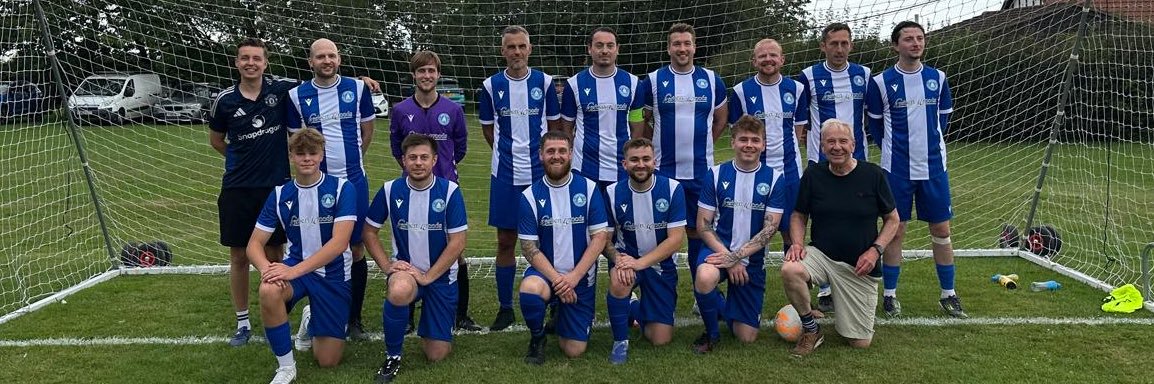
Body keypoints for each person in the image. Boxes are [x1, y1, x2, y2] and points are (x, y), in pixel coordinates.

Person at [865, 21, 965, 318]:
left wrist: (927, 147)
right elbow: (875, 123)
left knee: (942, 229)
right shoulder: (881, 82)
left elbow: (942, 118)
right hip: (896, 169)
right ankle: (891, 296)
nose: (915, 43)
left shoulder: (938, 77)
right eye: (908, 39)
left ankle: (949, 294)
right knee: (896, 230)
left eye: (919, 38)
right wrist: (896, 151)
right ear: (896, 45)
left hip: (934, 167)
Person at [778, 119, 900, 356]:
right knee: (790, 269)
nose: (837, 147)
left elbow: (893, 219)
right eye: (830, 142)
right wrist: (797, 244)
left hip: (859, 268)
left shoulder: (873, 175)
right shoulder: (814, 174)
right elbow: (798, 214)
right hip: (822, 256)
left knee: (859, 342)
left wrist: (875, 250)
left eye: (843, 141)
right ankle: (811, 328)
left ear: (853, 145)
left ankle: (838, 311)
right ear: (822, 147)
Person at [247, 127, 357, 384]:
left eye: (312, 153)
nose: (307, 158)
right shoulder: (279, 194)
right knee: (269, 289)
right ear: (291, 157)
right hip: (295, 267)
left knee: (327, 361)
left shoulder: (342, 188)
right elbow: (254, 244)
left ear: (321, 155)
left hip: (333, 273)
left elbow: (340, 243)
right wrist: (267, 269)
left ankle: (310, 319)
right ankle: (286, 367)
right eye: (300, 153)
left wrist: (292, 271)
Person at [285, 38, 377, 338]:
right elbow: (298, 143)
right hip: (316, 187)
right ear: (310, 62)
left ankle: (355, 318)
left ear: (339, 58)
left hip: (353, 181)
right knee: (319, 247)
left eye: (332, 55)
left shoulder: (358, 88)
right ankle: (319, 313)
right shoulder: (297, 96)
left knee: (356, 246)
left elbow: (367, 131)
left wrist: (351, 162)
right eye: (320, 56)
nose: (327, 60)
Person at [208, 38, 293, 347]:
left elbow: (320, 81)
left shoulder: (280, 91)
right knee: (240, 255)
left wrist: (359, 81)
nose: (251, 63)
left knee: (274, 254)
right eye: (245, 58)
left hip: (276, 188)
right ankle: (243, 321)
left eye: (256, 58)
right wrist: (240, 158)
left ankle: (278, 309)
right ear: (236, 62)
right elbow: (217, 140)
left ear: (265, 63)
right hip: (238, 187)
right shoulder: (225, 100)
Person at [364, 134, 469, 383]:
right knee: (399, 289)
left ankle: (433, 324)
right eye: (412, 157)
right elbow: (369, 231)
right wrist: (388, 267)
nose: (418, 162)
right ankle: (393, 356)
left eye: (424, 157)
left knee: (437, 354)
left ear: (434, 160)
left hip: (440, 279)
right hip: (407, 272)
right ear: (403, 161)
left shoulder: (450, 191)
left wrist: (428, 277)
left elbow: (458, 242)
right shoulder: (391, 190)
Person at [478, 25, 562, 331]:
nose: (516, 52)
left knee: (551, 239)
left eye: (521, 46)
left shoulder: (545, 82)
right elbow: (489, 130)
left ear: (530, 49)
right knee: (505, 241)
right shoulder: (490, 86)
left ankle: (556, 304)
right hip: (505, 175)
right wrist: (510, 154)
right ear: (503, 51)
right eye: (510, 47)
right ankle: (505, 308)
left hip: (542, 176)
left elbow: (554, 129)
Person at [388, 50, 479, 332]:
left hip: (446, 190)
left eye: (431, 71)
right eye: (421, 71)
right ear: (413, 75)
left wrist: (442, 173)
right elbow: (396, 148)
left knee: (456, 252)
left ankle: (460, 315)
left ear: (438, 75)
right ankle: (408, 315)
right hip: (411, 192)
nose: (426, 76)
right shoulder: (401, 110)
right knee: (409, 253)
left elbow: (459, 148)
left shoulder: (453, 110)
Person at [639, 22, 728, 289]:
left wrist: (704, 144)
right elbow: (642, 120)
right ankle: (657, 292)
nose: (682, 48)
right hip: (663, 173)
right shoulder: (653, 81)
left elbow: (721, 119)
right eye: (676, 43)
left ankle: (701, 291)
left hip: (701, 174)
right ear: (668, 48)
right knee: (657, 234)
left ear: (694, 46)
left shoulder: (712, 80)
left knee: (699, 232)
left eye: (686, 43)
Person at [796, 22, 873, 313]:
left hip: (857, 162)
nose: (839, 49)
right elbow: (801, 123)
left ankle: (854, 278)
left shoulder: (865, 75)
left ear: (851, 45)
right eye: (833, 43)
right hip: (820, 163)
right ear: (823, 46)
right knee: (823, 220)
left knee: (859, 220)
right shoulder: (808, 77)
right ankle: (826, 287)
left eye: (844, 43)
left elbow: (872, 116)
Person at [694, 115, 787, 353]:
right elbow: (702, 226)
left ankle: (726, 306)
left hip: (752, 259)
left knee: (746, 337)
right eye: (743, 139)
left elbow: (769, 230)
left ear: (763, 145)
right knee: (705, 276)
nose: (749, 145)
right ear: (733, 142)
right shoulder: (715, 174)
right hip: (718, 250)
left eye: (755, 140)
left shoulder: (775, 178)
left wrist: (738, 258)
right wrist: (729, 258)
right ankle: (711, 334)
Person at [517, 131, 610, 365]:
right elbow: (529, 248)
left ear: (570, 154)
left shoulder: (589, 189)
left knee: (573, 350)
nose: (556, 156)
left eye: (561, 151)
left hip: (580, 278)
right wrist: (559, 281)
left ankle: (559, 312)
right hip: (547, 275)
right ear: (541, 156)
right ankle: (538, 338)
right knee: (530, 288)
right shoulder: (529, 196)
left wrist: (574, 277)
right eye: (550, 151)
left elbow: (600, 238)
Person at [602, 138, 685, 364]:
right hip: (627, 261)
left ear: (654, 162)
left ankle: (632, 306)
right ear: (624, 164)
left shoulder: (672, 188)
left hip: (661, 265)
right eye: (634, 160)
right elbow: (605, 240)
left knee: (659, 339)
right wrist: (619, 259)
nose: (641, 164)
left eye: (646, 159)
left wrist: (640, 263)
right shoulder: (611, 193)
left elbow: (676, 239)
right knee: (620, 280)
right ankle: (620, 341)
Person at [727, 37, 807, 263]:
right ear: (754, 61)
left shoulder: (797, 89)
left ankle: (795, 286)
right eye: (762, 56)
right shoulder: (742, 91)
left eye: (773, 55)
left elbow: (798, 129)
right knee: (749, 228)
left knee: (791, 231)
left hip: (789, 172)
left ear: (782, 59)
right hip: (753, 172)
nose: (768, 60)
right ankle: (745, 275)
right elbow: (738, 133)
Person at [559, 26, 646, 188]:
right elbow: (566, 130)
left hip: (621, 168)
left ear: (617, 49)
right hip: (584, 168)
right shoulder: (574, 84)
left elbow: (637, 129)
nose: (604, 50)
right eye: (599, 45)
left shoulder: (634, 83)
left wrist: (631, 158)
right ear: (589, 49)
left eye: (610, 45)